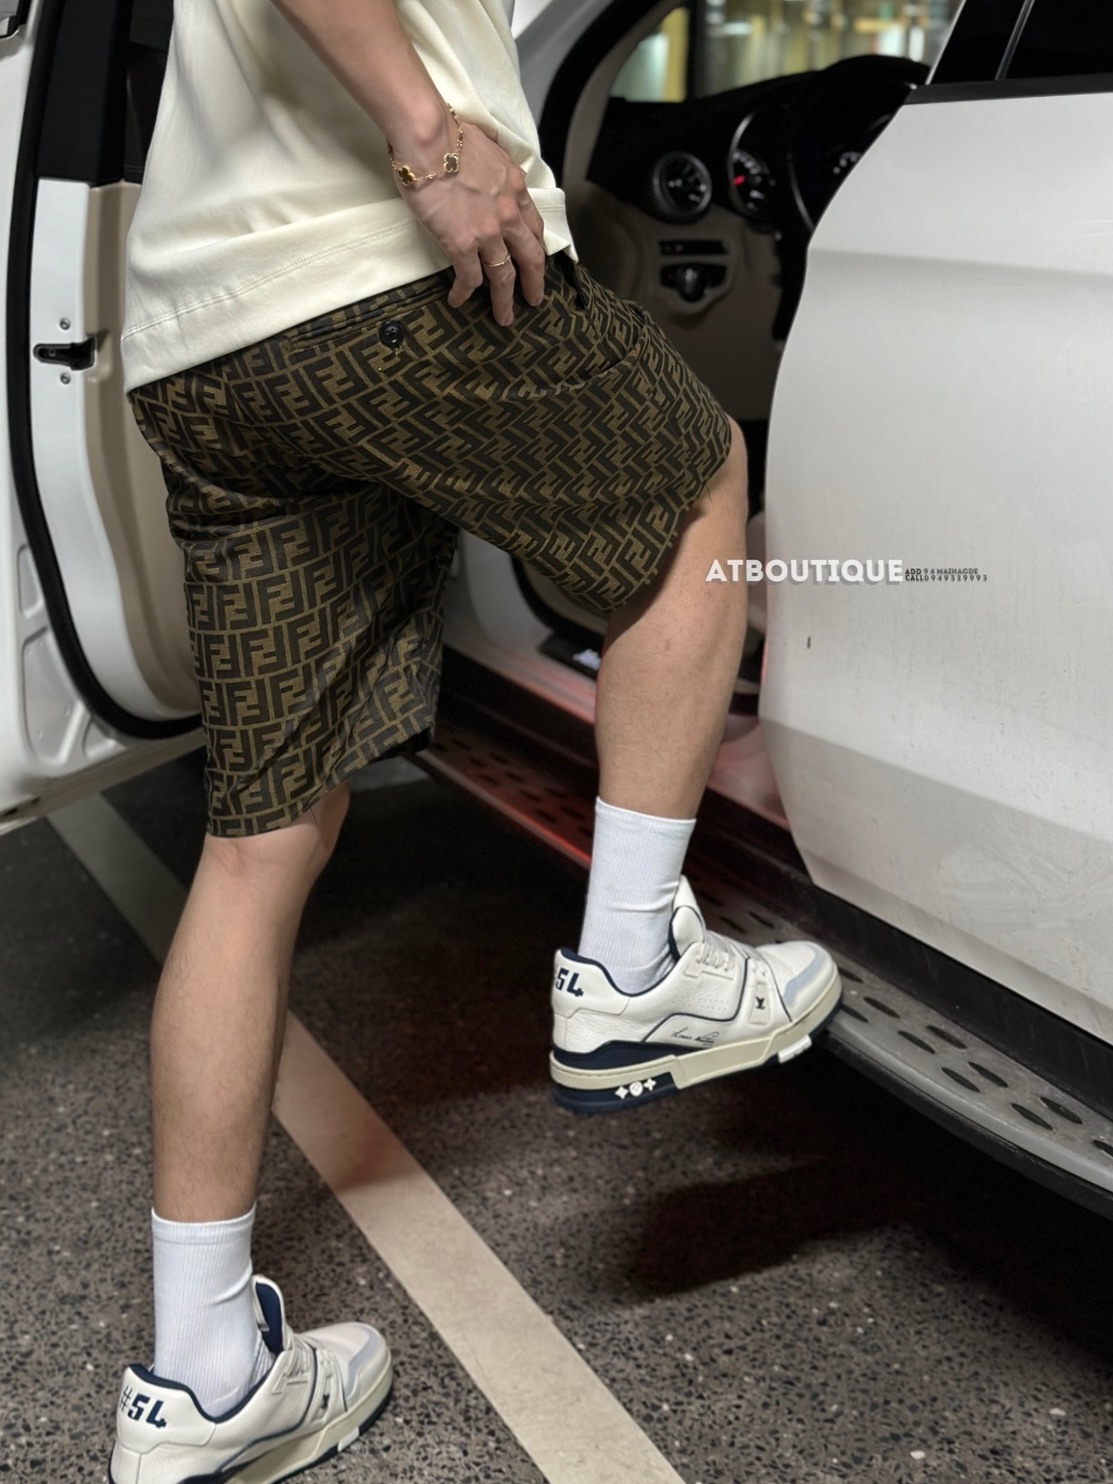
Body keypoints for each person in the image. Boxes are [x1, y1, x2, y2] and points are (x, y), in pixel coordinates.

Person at [108, 2, 842, 1480]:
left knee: (261, 838)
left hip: (205, 338)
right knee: (701, 491)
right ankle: (634, 966)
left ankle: (203, 1377)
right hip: (379, 267)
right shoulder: (414, 172)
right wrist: (431, 139)